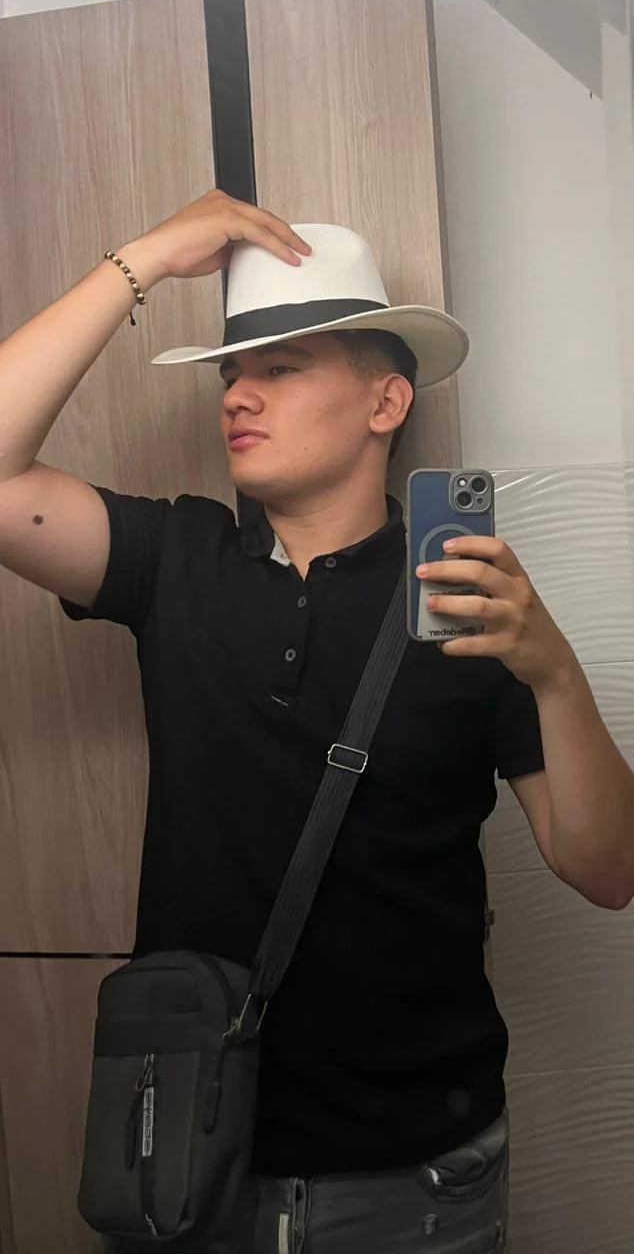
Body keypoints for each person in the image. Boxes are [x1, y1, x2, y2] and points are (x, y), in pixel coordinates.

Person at [1, 190, 633, 1254]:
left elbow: (607, 869)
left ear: (387, 401)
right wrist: (145, 257)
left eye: (281, 368)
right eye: (229, 375)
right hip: (190, 1165)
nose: (238, 396)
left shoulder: (472, 603)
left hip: (420, 1184)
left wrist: (556, 675)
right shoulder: (176, 560)